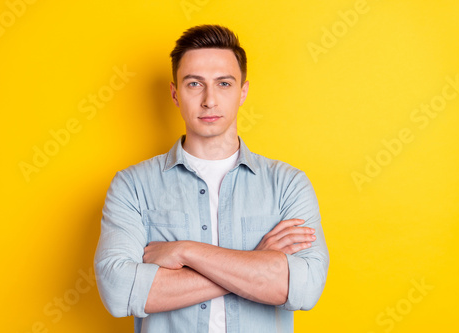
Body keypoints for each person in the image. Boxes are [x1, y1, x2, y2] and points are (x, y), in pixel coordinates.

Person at [94, 24, 329, 333]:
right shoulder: (132, 186)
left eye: (224, 83)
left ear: (243, 92)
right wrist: (256, 262)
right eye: (194, 84)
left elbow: (305, 288)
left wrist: (186, 251)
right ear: (175, 94)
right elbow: (119, 291)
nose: (209, 100)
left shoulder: (288, 184)